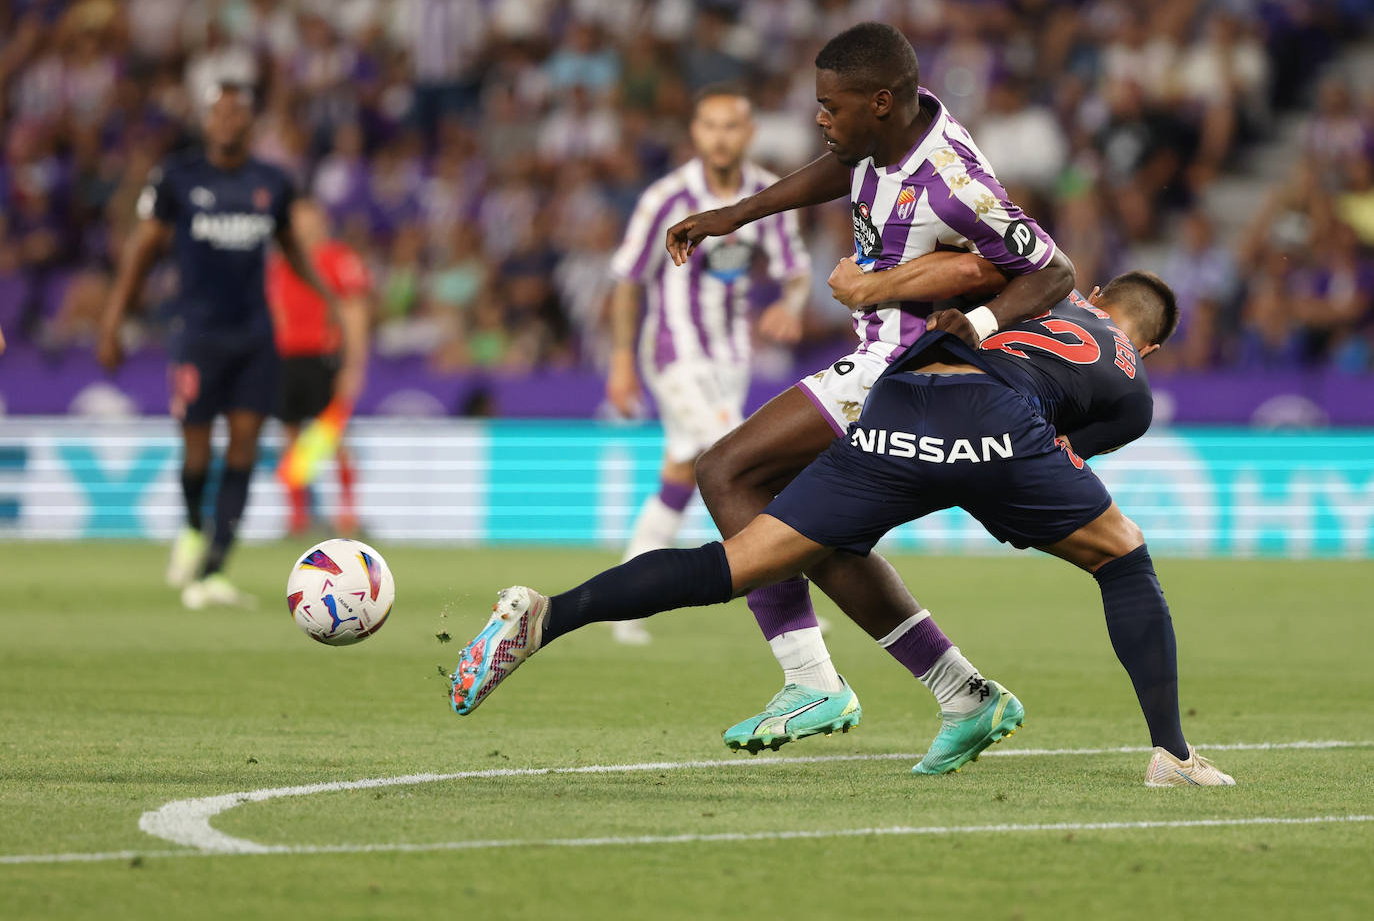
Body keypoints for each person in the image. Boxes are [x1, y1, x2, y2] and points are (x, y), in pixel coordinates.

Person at [448, 272, 1236, 788]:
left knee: (739, 562)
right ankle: (1172, 752)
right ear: (1153, 346)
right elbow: (1045, 460)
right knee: (1123, 557)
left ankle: (549, 613)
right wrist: (1011, 512)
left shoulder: (1041, 298)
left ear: (1094, 293)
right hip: (995, 424)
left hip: (898, 397)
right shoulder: (1134, 389)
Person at [664, 22, 1074, 747]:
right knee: (818, 531)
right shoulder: (889, 138)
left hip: (900, 368)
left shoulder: (953, 183)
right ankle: (960, 691)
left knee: (727, 470)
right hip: (885, 360)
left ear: (880, 102)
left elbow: (1054, 270)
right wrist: (736, 215)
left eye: (831, 106)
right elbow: (848, 169)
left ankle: (811, 682)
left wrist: (977, 324)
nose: (820, 118)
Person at [97, 82, 333, 609]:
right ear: (207, 122)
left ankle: (216, 566)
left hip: (254, 333)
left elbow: (291, 248)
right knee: (197, 446)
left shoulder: (272, 182)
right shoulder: (178, 179)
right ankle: (191, 527)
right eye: (219, 114)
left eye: (237, 114)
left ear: (249, 123)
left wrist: (324, 295)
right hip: (197, 333)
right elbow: (143, 252)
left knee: (246, 443)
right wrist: (113, 320)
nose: (228, 122)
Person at [603, 83, 811, 645]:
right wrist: (621, 360)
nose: (720, 137)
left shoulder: (768, 193)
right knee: (742, 460)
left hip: (730, 356)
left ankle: (626, 602)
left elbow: (796, 268)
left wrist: (791, 307)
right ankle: (791, 607)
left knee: (679, 472)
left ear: (749, 134)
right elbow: (627, 280)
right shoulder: (667, 198)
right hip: (674, 352)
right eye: (709, 126)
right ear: (696, 134)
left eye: (731, 126)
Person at [266, 198, 371, 536]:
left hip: (324, 358)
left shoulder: (338, 259)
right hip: (285, 360)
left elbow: (355, 313)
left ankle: (347, 516)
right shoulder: (279, 262)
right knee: (292, 438)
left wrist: (353, 366)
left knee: (334, 436)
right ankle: (297, 518)